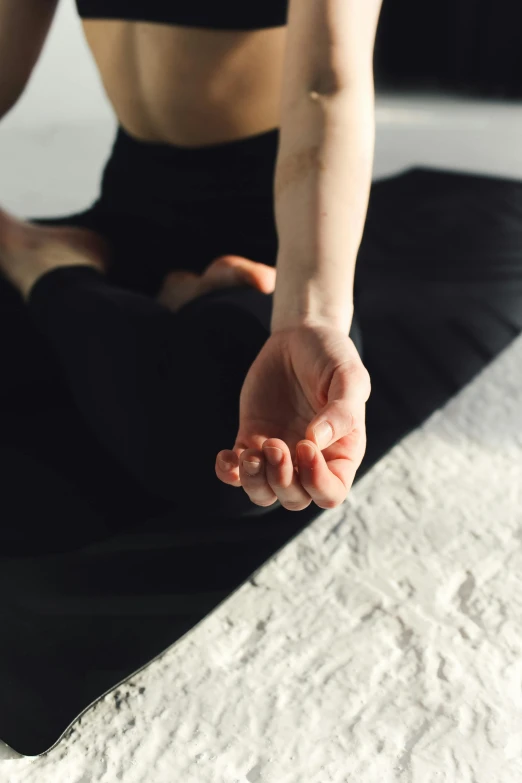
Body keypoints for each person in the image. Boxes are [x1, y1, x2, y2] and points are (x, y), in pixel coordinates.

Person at [0, 0, 379, 529]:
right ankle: (84, 281)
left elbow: (326, 83)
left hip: (274, 223)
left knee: (254, 442)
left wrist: (307, 317)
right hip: (130, 203)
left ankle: (38, 260)